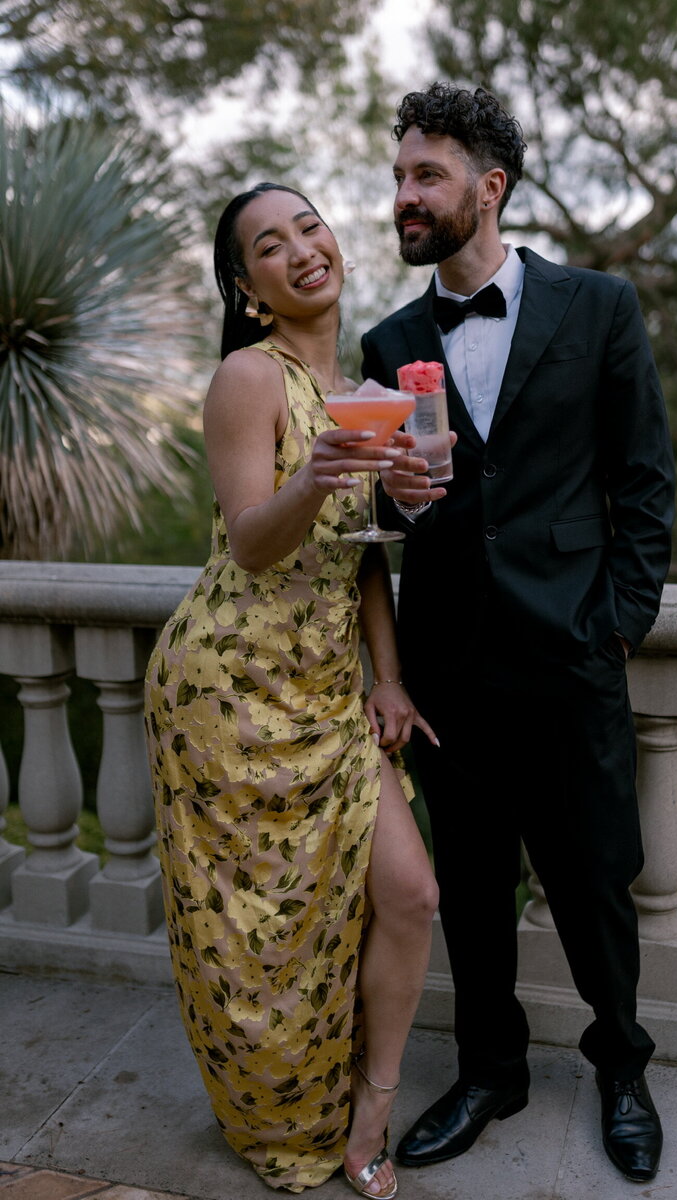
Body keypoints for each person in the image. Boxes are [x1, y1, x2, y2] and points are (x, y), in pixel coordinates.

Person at [360, 83, 675, 1184]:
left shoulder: (598, 308)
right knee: (474, 883)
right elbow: (386, 520)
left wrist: (616, 627)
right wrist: (396, 497)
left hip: (569, 655)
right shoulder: (390, 338)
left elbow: (642, 484)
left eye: (425, 176)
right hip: (449, 667)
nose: (403, 194)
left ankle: (620, 1068)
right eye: (399, 175)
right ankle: (490, 1069)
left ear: (488, 188)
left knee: (594, 878)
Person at [144, 181, 439, 1198]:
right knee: (256, 939)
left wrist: (387, 680)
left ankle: (370, 1114)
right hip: (226, 694)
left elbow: (361, 559)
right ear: (252, 288)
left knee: (409, 890)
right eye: (271, 246)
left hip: (324, 697)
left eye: (310, 226)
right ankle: (277, 1115)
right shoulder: (246, 377)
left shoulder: (360, 385)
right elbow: (249, 542)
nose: (301, 248)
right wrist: (313, 477)